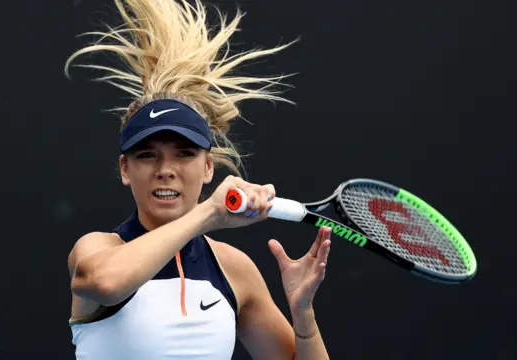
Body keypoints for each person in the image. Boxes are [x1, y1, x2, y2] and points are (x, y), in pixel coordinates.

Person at [64, 0, 332, 359]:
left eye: (184, 154)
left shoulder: (233, 269)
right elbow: (106, 284)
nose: (165, 168)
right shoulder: (97, 250)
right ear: (125, 170)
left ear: (209, 168)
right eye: (147, 155)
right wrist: (209, 213)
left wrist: (303, 317)